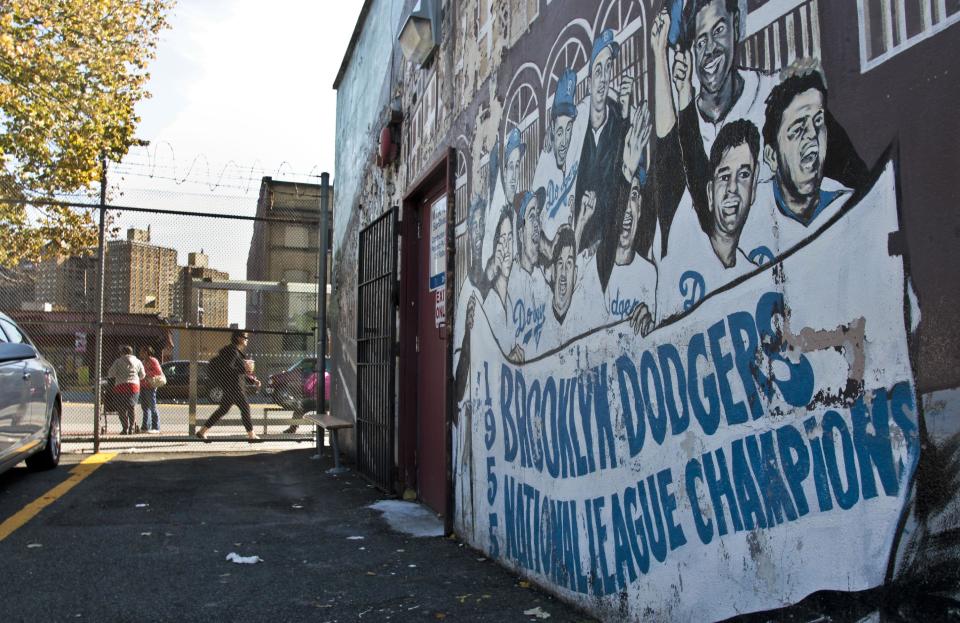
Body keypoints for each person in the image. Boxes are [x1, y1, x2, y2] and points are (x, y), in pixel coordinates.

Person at [195, 330, 261, 442]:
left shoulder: (234, 352)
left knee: (223, 409)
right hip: (234, 387)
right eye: (245, 338)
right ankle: (251, 435)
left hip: (231, 385)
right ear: (239, 338)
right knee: (245, 408)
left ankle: (202, 432)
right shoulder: (232, 352)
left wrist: (252, 380)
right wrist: (244, 368)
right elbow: (228, 369)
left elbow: (238, 372)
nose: (247, 340)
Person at [107, 345, 145, 435]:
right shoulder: (138, 361)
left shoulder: (118, 361)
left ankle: (125, 428)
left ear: (122, 353)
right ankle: (132, 428)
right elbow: (142, 375)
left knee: (121, 408)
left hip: (120, 387)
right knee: (131, 407)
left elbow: (110, 374)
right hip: (134, 387)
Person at [138, 345, 162, 433]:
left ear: (146, 352)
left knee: (152, 406)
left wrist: (146, 373)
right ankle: (145, 427)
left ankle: (156, 427)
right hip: (143, 386)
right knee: (144, 407)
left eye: (142, 352)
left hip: (150, 386)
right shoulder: (143, 362)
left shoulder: (153, 361)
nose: (140, 353)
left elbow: (158, 371)